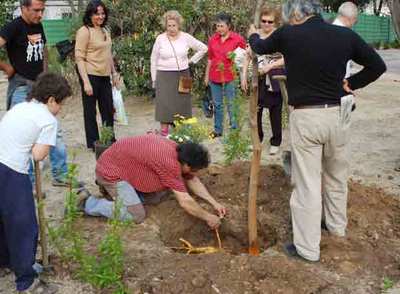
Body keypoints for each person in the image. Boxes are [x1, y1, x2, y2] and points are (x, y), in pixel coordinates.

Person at [249, 0, 386, 262]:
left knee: (308, 185)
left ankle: (308, 249)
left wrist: (253, 33)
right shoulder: (344, 34)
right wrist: (350, 83)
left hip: (307, 117)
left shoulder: (289, 34)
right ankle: (336, 228)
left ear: (296, 15)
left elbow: (259, 47)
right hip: (338, 115)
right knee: (336, 176)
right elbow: (377, 66)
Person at [0, 73, 72, 293]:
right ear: (51, 100)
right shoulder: (48, 120)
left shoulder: (20, 107)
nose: (61, 109)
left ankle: (5, 262)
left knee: (3, 221)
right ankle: (27, 281)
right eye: (61, 103)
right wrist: (35, 144)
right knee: (24, 227)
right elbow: (39, 155)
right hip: (12, 171)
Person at [80, 135, 226, 228]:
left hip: (123, 165)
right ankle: (88, 202)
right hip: (111, 172)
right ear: (187, 165)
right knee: (136, 215)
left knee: (158, 196)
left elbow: (192, 179)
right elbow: (185, 201)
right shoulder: (169, 164)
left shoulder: (178, 152)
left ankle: (121, 195)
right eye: (194, 170)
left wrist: (214, 203)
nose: (194, 174)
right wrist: (207, 217)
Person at [0, 0, 70, 187]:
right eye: (36, 10)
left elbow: (43, 51)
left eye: (43, 10)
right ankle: (28, 184)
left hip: (41, 87)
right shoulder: (13, 27)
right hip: (21, 86)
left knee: (53, 128)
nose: (40, 14)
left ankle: (61, 174)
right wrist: (6, 66)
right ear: (24, 8)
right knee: (25, 134)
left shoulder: (38, 25)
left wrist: (47, 77)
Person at [150, 10, 208, 136]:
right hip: (164, 75)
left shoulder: (186, 37)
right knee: (164, 102)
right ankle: (164, 131)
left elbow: (203, 48)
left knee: (183, 102)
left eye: (174, 25)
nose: (171, 28)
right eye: (169, 25)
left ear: (179, 25)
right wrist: (154, 79)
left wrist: (191, 61)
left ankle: (182, 130)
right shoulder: (160, 38)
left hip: (183, 74)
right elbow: (153, 59)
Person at [241, 6, 285, 155]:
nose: (266, 24)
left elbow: (287, 58)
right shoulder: (255, 36)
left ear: (275, 23)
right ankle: (257, 139)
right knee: (256, 110)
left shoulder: (280, 36)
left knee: (275, 112)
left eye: (270, 22)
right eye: (264, 21)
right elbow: (248, 56)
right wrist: (243, 75)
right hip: (257, 77)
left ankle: (276, 142)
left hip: (275, 78)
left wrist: (271, 66)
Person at [75, 0, 118, 150]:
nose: (100, 16)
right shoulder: (84, 31)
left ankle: (109, 139)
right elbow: (79, 58)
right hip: (90, 75)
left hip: (105, 75)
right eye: (96, 13)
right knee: (90, 111)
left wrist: (114, 73)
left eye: (102, 13)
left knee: (107, 109)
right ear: (90, 14)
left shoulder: (105, 30)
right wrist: (85, 82)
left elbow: (108, 54)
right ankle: (94, 143)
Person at [205, 12, 246, 138]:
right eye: (217, 26)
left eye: (222, 26)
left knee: (231, 103)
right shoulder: (213, 39)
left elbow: (244, 58)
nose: (219, 29)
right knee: (217, 104)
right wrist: (206, 76)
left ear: (229, 26)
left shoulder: (238, 39)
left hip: (230, 75)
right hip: (214, 76)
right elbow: (210, 59)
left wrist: (243, 76)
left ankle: (234, 129)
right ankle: (218, 130)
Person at [333, 2, 359, 78]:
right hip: (339, 82)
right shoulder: (348, 36)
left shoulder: (324, 28)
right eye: (355, 20)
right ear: (351, 19)